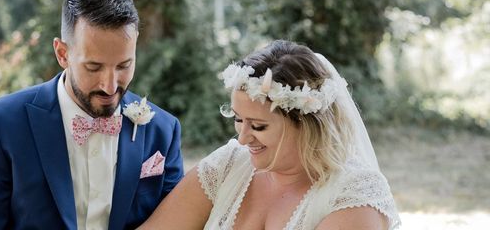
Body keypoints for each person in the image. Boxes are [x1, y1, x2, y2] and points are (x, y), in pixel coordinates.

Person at [0, 0, 184, 229]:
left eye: (123, 66)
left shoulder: (163, 130)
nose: (109, 85)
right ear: (62, 54)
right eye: (93, 67)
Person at [139, 39, 400, 230]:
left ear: (307, 125)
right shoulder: (228, 165)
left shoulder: (355, 194)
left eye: (258, 126)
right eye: (238, 120)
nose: (242, 138)